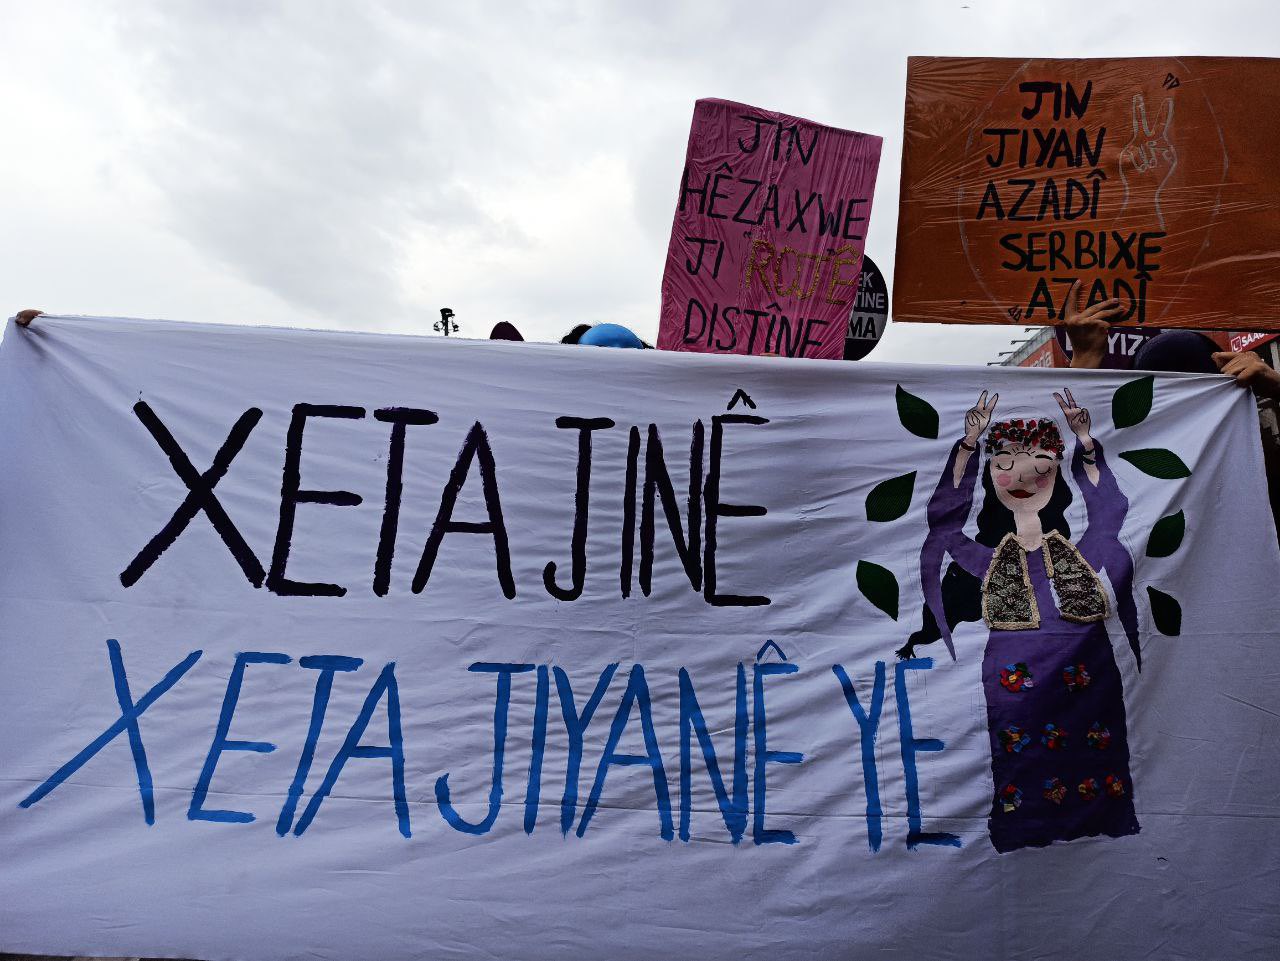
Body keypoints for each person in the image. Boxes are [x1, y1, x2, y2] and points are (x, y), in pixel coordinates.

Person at [918, 389, 1141, 853]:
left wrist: (1086, 442)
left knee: (1095, 758)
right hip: (1014, 677)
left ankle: (1105, 823)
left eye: (1040, 463)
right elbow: (945, 525)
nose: (1022, 475)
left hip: (1087, 672)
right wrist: (968, 445)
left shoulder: (1076, 553)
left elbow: (1110, 514)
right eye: (1004, 462)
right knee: (1022, 761)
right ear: (990, 476)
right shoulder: (990, 559)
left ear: (1056, 474)